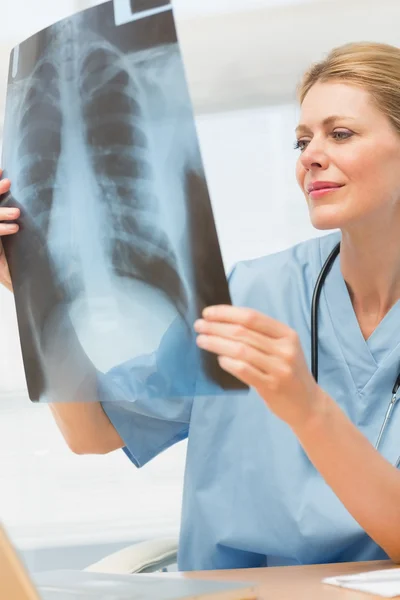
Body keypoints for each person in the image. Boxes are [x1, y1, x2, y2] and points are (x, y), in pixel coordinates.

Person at [2, 40, 400, 570]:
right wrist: (32, 287)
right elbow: (93, 431)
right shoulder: (252, 294)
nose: (310, 156)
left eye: (340, 133)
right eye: (302, 140)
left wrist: (307, 409)